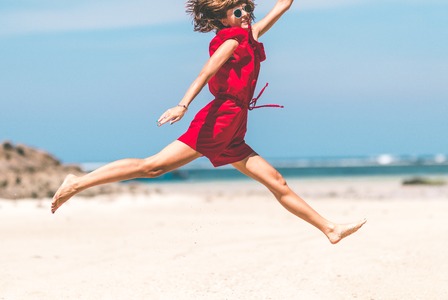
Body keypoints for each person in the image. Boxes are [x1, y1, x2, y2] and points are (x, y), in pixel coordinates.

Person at [51, 0, 366, 244]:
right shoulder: (230, 41)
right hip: (219, 119)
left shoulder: (249, 36)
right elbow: (205, 72)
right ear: (221, 18)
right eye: (237, 11)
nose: (245, 14)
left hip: (235, 124)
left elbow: (283, 5)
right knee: (153, 166)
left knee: (277, 182)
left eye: (246, 8)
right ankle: (77, 182)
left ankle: (330, 229)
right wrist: (182, 104)